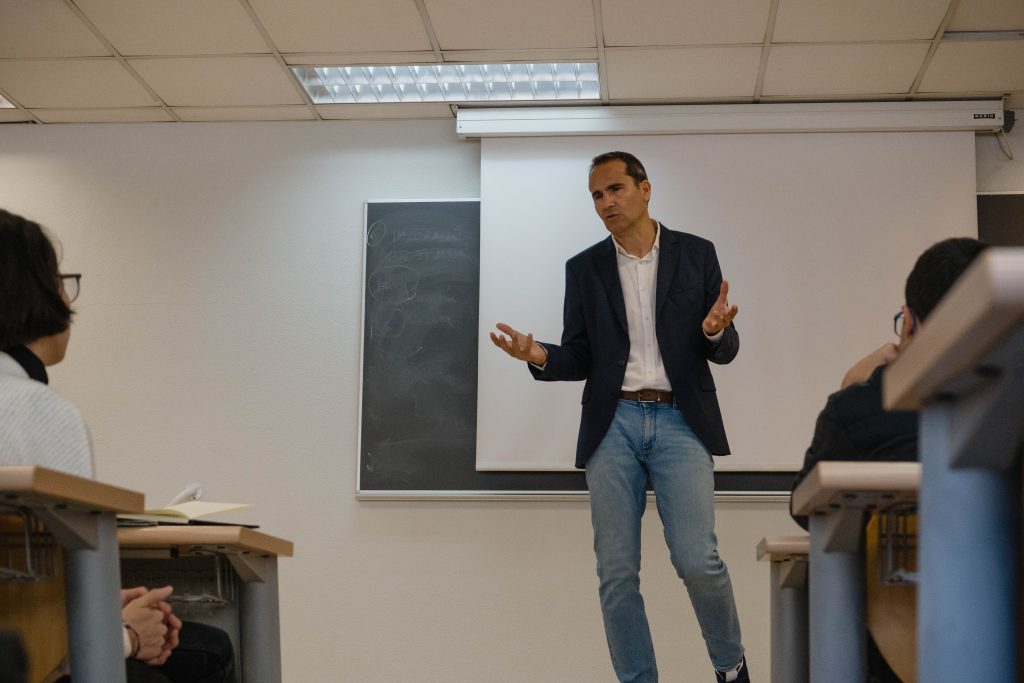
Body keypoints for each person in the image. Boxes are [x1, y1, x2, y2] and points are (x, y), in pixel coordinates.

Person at [490, 152, 749, 683]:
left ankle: (730, 668)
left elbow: (723, 348)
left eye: (615, 189)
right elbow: (580, 355)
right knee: (616, 574)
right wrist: (538, 354)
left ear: (644, 189)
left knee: (698, 561)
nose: (605, 202)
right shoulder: (583, 268)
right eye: (596, 195)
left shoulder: (696, 254)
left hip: (680, 419)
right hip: (613, 424)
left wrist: (715, 331)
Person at [0, 208, 236, 683]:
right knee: (198, 655)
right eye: (59, 282)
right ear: (32, 292)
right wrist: (124, 633)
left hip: (25, 629)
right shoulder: (36, 408)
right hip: (30, 653)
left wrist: (104, 607)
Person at [790, 236, 988, 683]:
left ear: (911, 322)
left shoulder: (862, 407)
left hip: (897, 650)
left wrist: (861, 383)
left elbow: (805, 509)